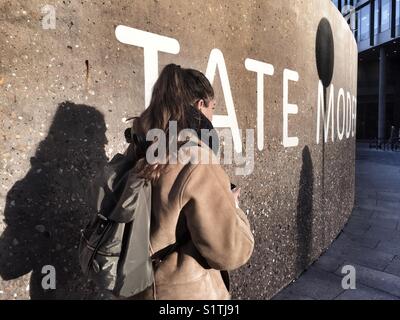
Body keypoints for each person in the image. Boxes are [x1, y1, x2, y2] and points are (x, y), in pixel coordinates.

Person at [125, 64, 254, 300]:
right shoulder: (196, 157)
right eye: (213, 108)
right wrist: (233, 209)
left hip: (134, 289)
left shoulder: (137, 146)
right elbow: (229, 252)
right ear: (200, 105)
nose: (213, 116)